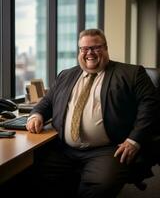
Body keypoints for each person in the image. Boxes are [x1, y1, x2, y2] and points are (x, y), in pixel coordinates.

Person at [26, 28, 158, 198]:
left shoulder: (132, 73)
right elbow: (47, 101)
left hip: (108, 149)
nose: (90, 53)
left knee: (99, 187)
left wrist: (134, 140)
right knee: (30, 175)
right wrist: (36, 115)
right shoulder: (66, 75)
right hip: (63, 149)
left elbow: (150, 106)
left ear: (106, 48)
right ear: (79, 51)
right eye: (84, 49)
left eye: (96, 47)